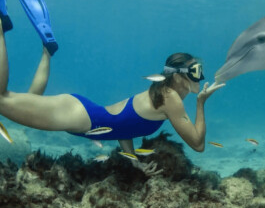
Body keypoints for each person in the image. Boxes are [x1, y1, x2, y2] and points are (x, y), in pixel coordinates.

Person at [0, 16, 225, 170]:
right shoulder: (170, 98)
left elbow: (124, 127)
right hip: (79, 115)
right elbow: (198, 145)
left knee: (28, 102)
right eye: (195, 71)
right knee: (2, 99)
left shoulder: (161, 93)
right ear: (177, 75)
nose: (201, 76)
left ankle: (47, 50)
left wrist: (134, 160)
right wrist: (201, 103)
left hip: (80, 112)